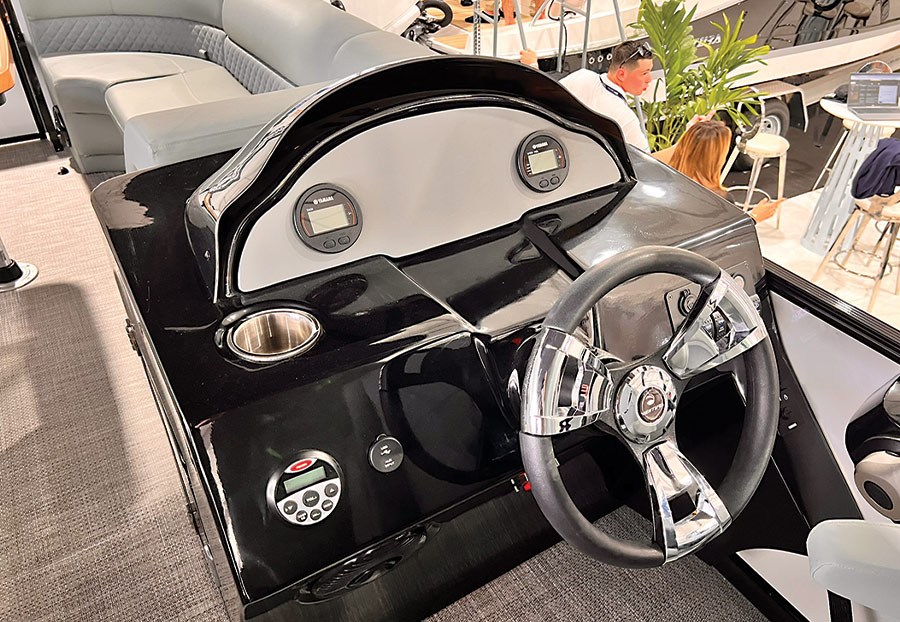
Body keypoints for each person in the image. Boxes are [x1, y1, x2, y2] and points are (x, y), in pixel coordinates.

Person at [659, 120, 782, 223]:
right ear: (716, 157)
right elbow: (724, 238)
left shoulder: (662, 179)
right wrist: (754, 218)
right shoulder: (718, 200)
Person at [556, 41, 654, 151]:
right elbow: (645, 163)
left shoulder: (580, 76)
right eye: (644, 73)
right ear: (621, 74)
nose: (649, 79)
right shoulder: (624, 116)